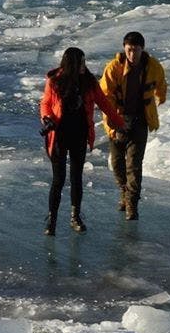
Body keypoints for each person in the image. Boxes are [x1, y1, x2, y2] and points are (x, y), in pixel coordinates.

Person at [40, 47, 126, 236]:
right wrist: (46, 117)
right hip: (59, 135)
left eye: (84, 62)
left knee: (76, 177)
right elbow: (45, 102)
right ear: (71, 64)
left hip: (79, 135)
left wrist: (119, 123)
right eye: (81, 62)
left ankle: (75, 216)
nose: (83, 66)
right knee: (58, 179)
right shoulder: (55, 81)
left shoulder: (89, 82)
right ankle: (51, 219)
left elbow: (104, 104)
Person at [99, 31, 167, 220]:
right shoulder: (114, 68)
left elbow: (162, 86)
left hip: (140, 121)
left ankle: (132, 204)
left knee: (134, 165)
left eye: (135, 50)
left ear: (142, 49)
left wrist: (160, 98)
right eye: (129, 50)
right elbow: (105, 96)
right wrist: (113, 123)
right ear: (124, 49)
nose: (132, 54)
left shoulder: (153, 66)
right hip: (118, 119)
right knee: (116, 163)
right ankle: (124, 191)